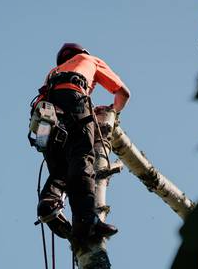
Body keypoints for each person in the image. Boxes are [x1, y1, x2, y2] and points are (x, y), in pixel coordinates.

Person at [35, 43, 130, 240]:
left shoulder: (53, 73)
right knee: (81, 157)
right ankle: (87, 220)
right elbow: (123, 93)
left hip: (43, 116)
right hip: (73, 98)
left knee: (61, 167)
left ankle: (49, 202)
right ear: (83, 53)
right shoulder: (90, 60)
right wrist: (112, 112)